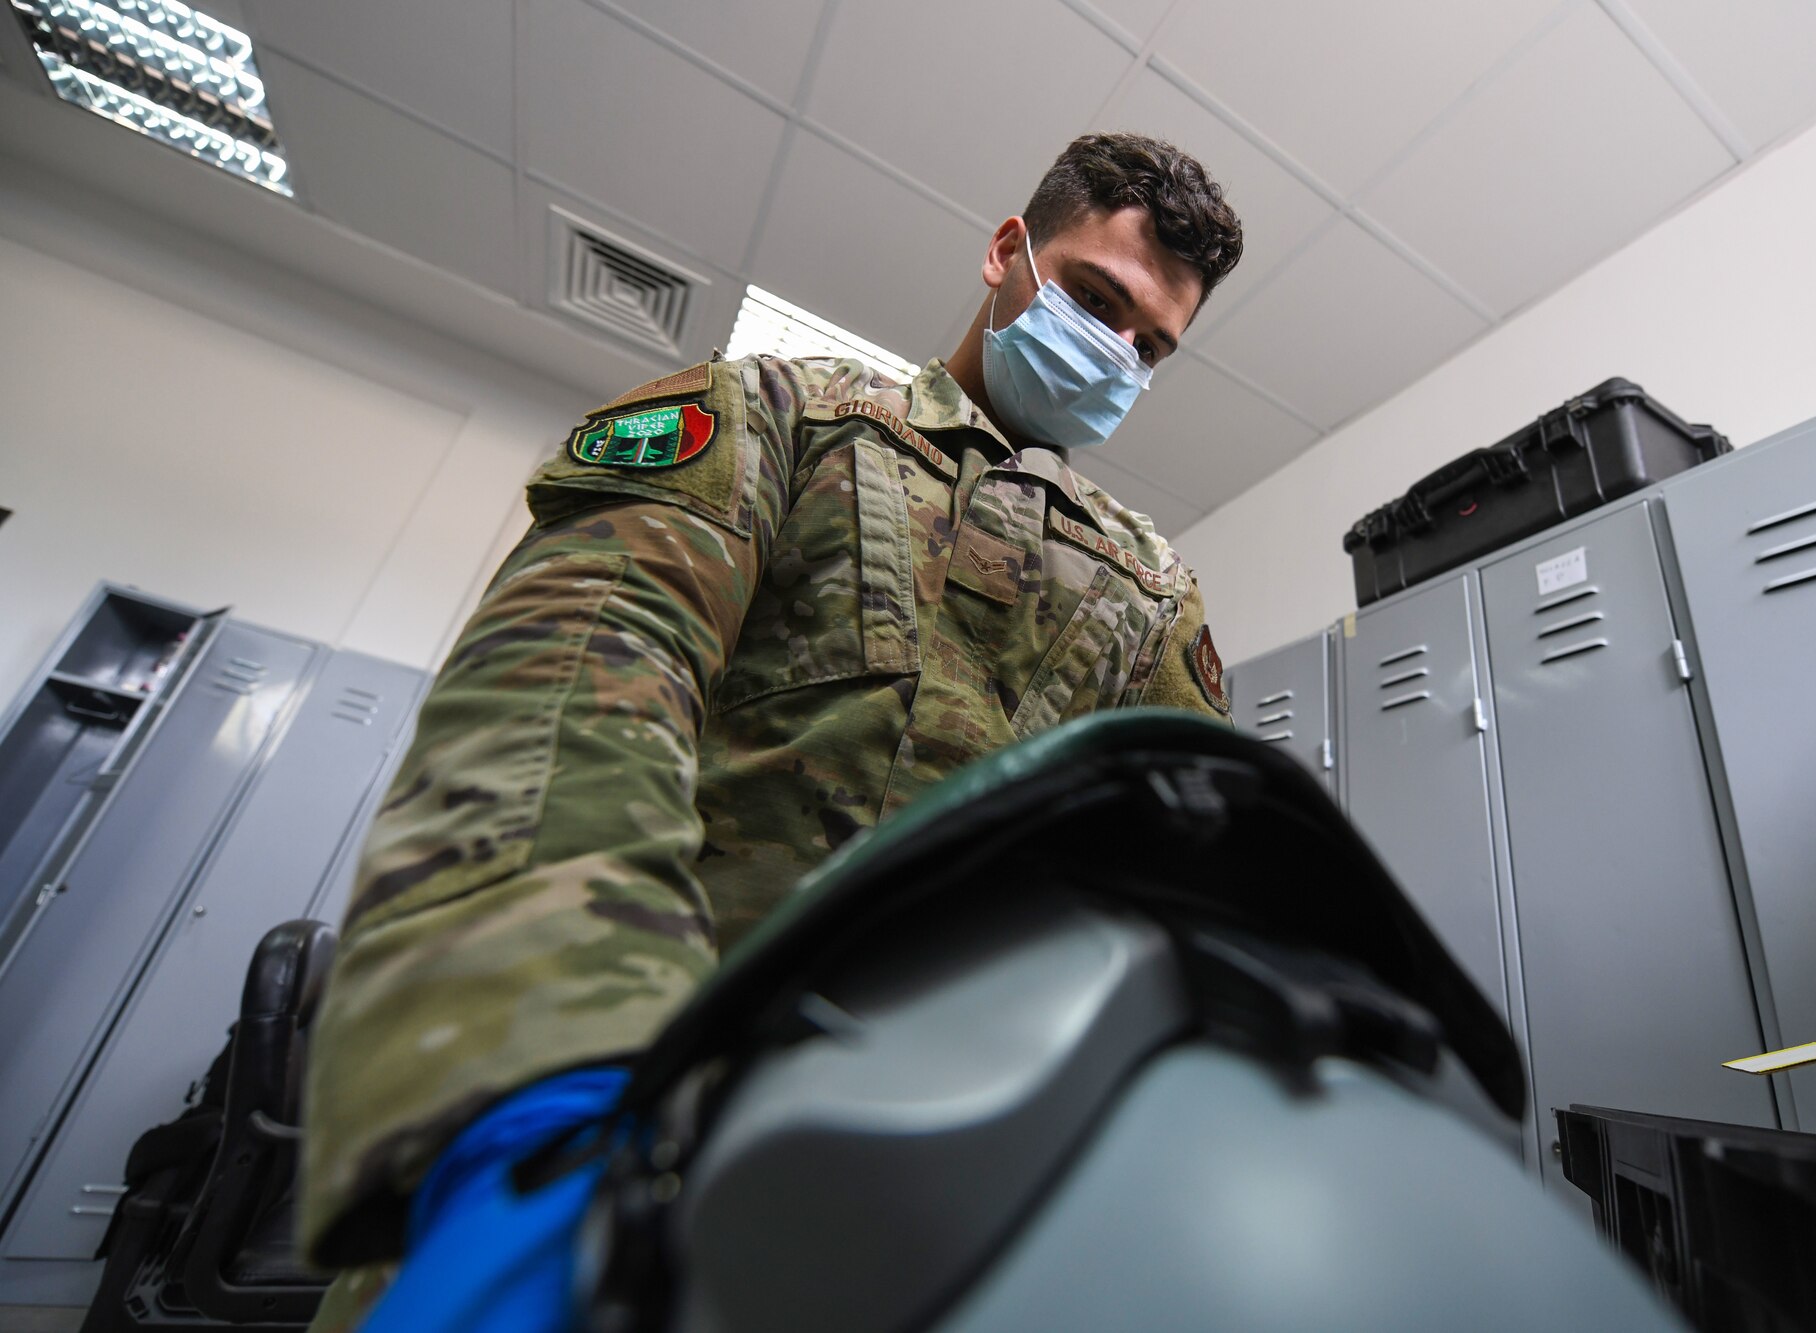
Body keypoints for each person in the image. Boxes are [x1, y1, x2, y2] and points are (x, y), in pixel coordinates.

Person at [298, 132, 1245, 1330]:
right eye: (1094, 299)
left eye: (1146, 345)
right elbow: (577, 684)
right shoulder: (779, 417)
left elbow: (1196, 883)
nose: (1111, 353)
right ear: (1007, 252)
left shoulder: (1149, 590)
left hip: (919, 1193)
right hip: (627, 1115)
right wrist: (541, 1087)